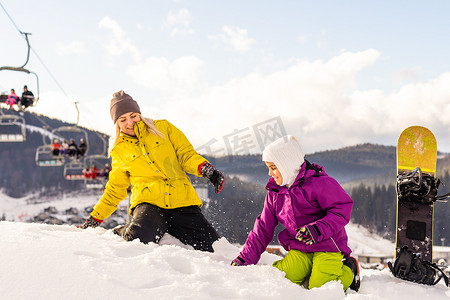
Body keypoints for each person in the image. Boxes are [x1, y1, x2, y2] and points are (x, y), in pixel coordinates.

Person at [78, 90, 225, 253]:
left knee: (214, 248)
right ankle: (123, 230)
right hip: (149, 203)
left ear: (139, 114)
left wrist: (205, 169)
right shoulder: (119, 150)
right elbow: (115, 189)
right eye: (123, 119)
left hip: (181, 200)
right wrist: (95, 218)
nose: (130, 123)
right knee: (138, 240)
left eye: (133, 116)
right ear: (116, 123)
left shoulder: (163, 128)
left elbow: (186, 154)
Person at [230, 135, 360, 292]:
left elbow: (341, 208)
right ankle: (310, 271)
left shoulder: (320, 183)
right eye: (268, 168)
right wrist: (245, 258)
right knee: (282, 278)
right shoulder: (275, 193)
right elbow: (263, 228)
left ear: (287, 164)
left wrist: (317, 230)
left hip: (328, 246)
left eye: (273, 167)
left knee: (321, 289)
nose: (270, 174)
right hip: (300, 248)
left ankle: (349, 271)